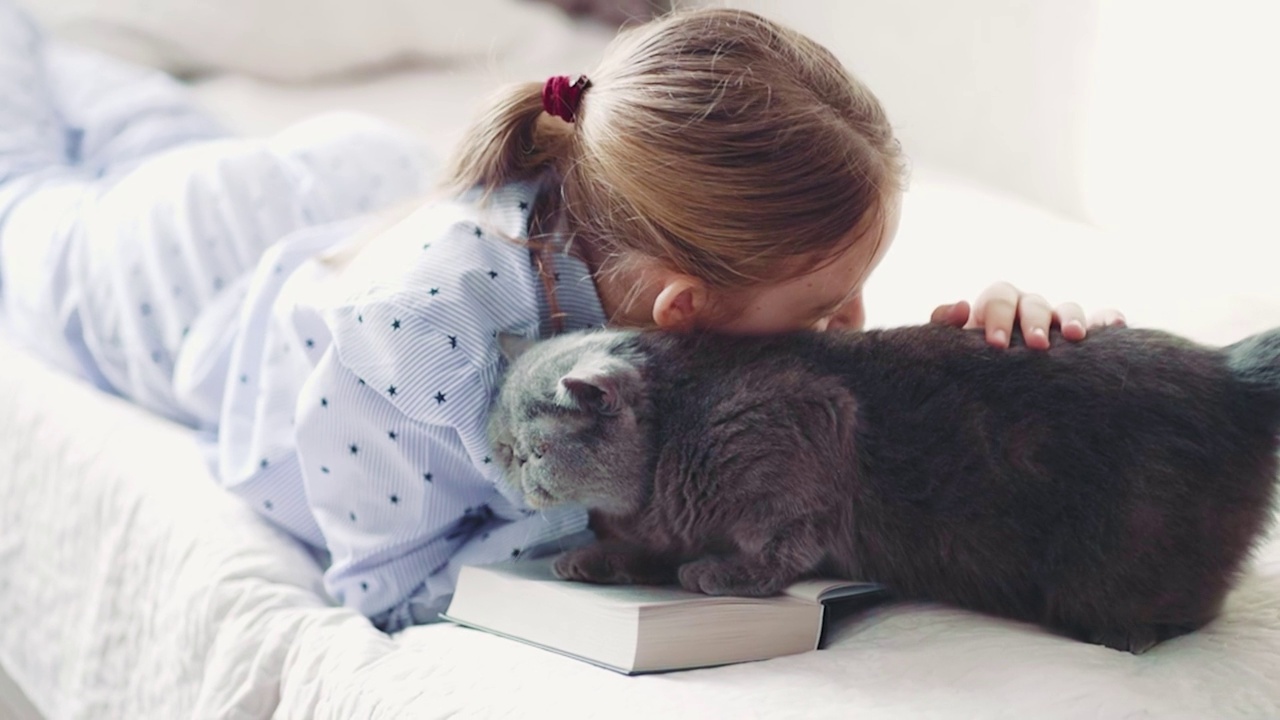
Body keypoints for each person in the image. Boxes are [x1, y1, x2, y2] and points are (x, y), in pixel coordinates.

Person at [0, 3, 1121, 631]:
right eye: (830, 308)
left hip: (350, 186)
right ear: (683, 311)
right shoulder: (410, 344)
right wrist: (639, 544)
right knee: (27, 179)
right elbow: (385, 582)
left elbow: (868, 415)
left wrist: (991, 352)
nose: (854, 329)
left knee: (123, 105)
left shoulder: (684, 291)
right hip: (187, 277)